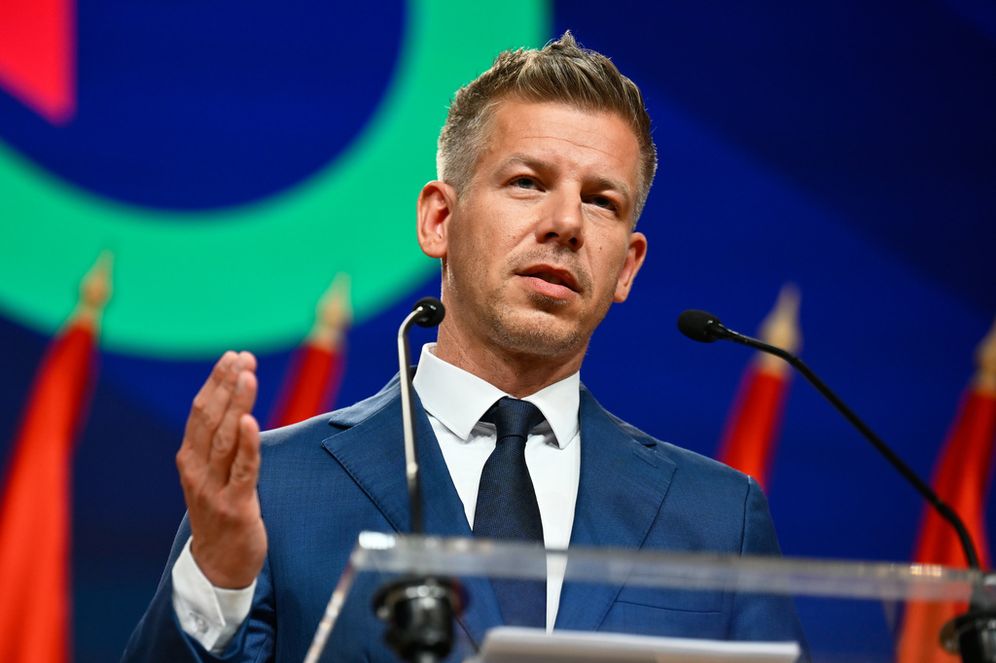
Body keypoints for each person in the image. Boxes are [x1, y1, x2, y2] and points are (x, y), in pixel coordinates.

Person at [123, 32, 804, 662]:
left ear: (627, 266)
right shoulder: (276, 489)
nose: (566, 222)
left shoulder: (718, 517)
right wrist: (216, 578)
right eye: (528, 182)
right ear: (439, 219)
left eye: (602, 201)